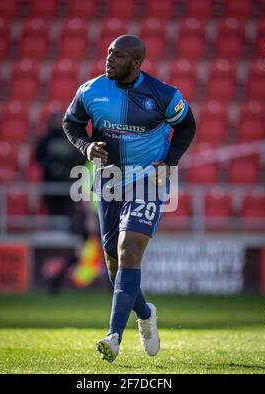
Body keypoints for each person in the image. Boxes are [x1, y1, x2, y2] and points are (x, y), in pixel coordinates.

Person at [62, 35, 196, 362]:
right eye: (108, 52)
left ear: (136, 63)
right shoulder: (90, 91)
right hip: (109, 180)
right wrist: (86, 146)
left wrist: (170, 162)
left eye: (118, 56)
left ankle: (114, 336)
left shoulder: (163, 95)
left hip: (148, 180)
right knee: (112, 261)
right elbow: (72, 123)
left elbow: (187, 126)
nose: (109, 59)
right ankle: (145, 313)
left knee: (129, 249)